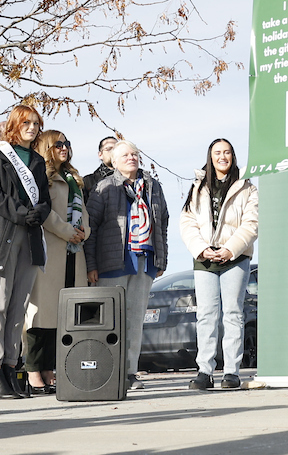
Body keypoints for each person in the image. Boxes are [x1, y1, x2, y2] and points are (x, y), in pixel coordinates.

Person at [0, 105, 52, 400]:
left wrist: (38, 214)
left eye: (36, 123)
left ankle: (10, 366)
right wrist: (20, 213)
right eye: (26, 123)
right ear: (15, 125)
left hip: (29, 238)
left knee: (19, 308)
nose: (31, 127)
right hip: (2, 237)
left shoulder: (39, 161)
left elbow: (44, 199)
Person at [84, 139, 168, 390]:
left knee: (134, 321)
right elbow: (91, 228)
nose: (131, 158)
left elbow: (162, 223)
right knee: (109, 322)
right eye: (125, 155)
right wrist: (91, 264)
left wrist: (162, 258)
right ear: (114, 161)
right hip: (112, 263)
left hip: (145, 261)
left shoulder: (153, 186)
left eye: (134, 154)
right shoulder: (104, 187)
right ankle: (106, 372)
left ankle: (130, 372)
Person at [179, 139, 258, 391]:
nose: (222, 156)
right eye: (217, 153)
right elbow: (187, 221)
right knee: (205, 315)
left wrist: (229, 249)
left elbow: (251, 223)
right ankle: (204, 371)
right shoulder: (198, 187)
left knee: (233, 314)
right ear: (210, 157)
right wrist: (202, 249)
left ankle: (232, 372)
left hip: (235, 258)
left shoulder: (247, 187)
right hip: (204, 259)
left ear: (233, 156)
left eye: (227, 152)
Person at [23, 130, 90, 395]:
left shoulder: (73, 179)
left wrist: (85, 231)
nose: (64, 147)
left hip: (75, 253)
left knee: (65, 317)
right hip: (51, 252)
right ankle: (32, 370)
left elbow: (84, 214)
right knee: (42, 315)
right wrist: (65, 231)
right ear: (48, 147)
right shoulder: (41, 176)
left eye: (67, 143)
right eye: (59, 144)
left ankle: (51, 368)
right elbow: (44, 212)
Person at [81, 136, 118, 203]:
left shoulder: (130, 178)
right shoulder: (88, 181)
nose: (113, 152)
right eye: (109, 149)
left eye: (117, 149)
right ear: (100, 155)